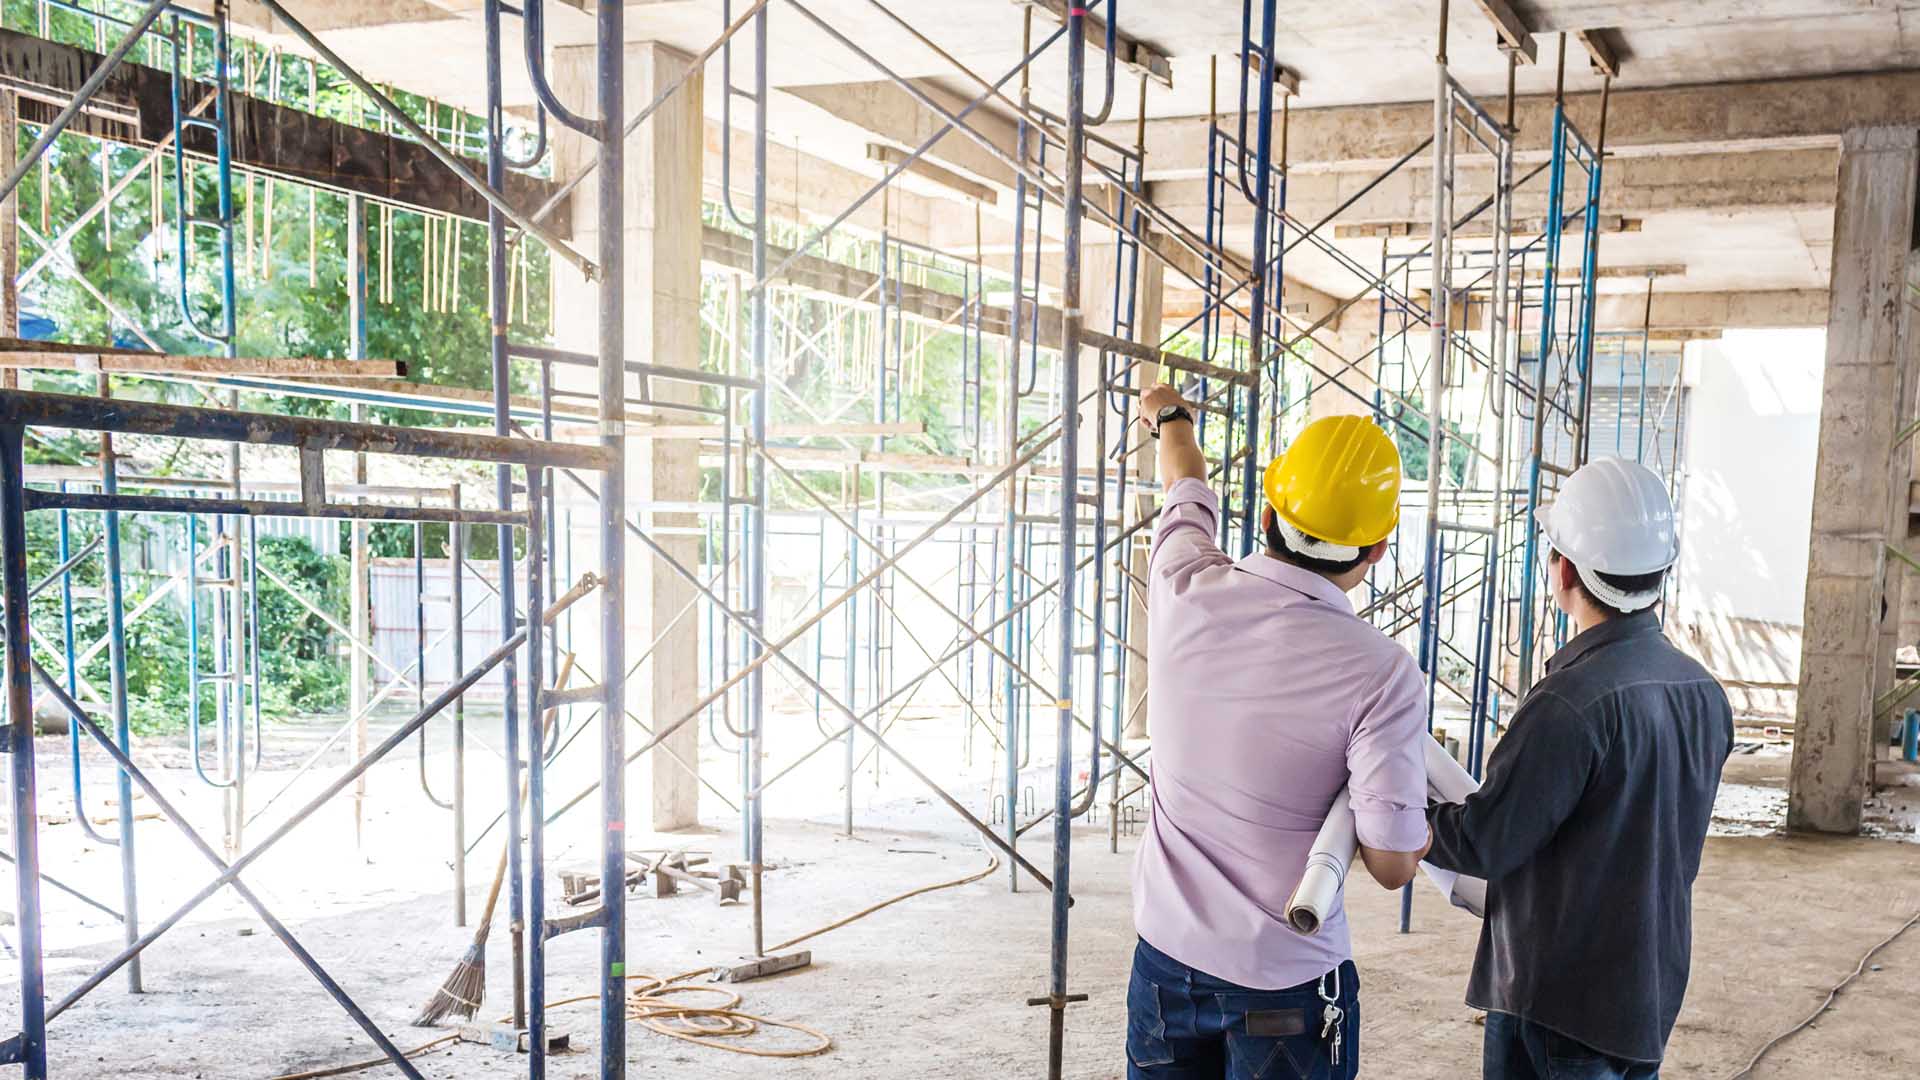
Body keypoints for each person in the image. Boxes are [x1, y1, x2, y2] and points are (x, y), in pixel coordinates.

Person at [1127, 383, 1433, 1080]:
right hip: (1284, 984)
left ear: (1268, 512)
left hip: (1164, 964)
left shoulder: (1181, 584)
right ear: (1378, 548)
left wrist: (1171, 416)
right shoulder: (1383, 673)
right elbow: (1392, 866)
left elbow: (1186, 484)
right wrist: (1419, 823)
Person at [1424, 457, 1733, 1080]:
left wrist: (1398, 807)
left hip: (1558, 1000)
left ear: (1562, 569)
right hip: (1645, 990)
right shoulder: (1703, 693)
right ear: (1660, 574)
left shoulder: (1569, 703)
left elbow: (1484, 841)